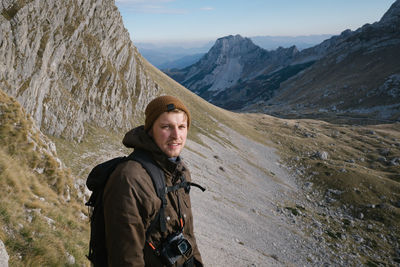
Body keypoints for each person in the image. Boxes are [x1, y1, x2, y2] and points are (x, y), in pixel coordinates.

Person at [103, 95, 203, 266]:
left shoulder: (180, 171)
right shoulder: (129, 179)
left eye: (181, 126)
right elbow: (127, 259)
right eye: (166, 127)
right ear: (150, 130)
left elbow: (188, 235)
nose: (176, 135)